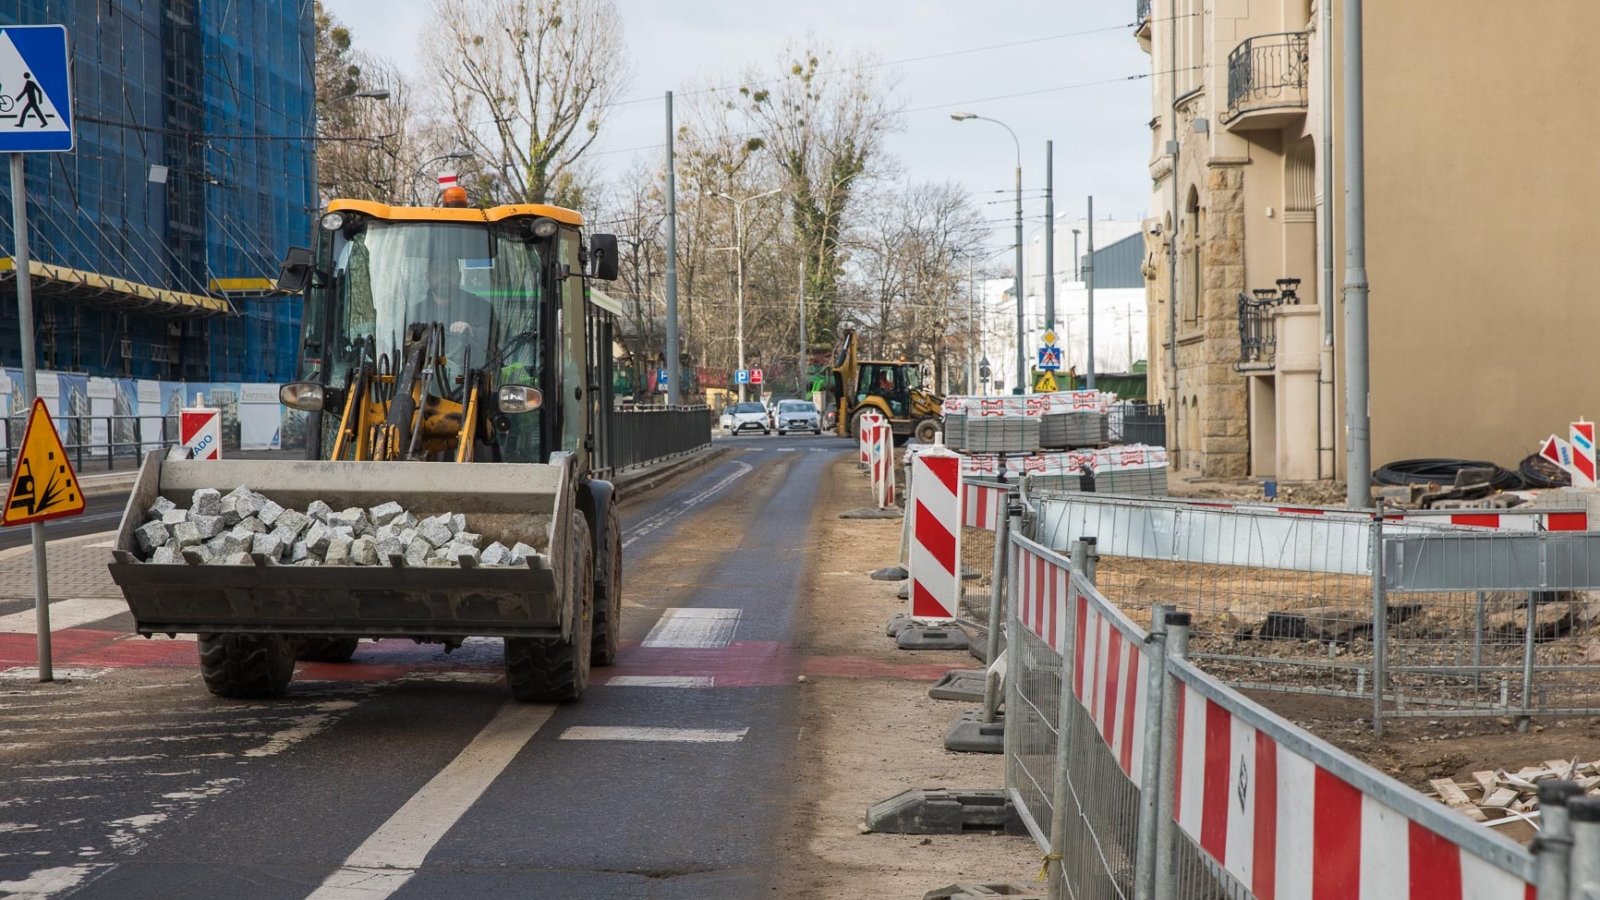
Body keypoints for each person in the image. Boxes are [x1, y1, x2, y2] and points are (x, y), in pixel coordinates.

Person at [407, 257, 493, 369]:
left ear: (459, 276)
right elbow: (405, 349)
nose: (443, 276)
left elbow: (492, 339)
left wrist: (472, 331)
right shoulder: (415, 313)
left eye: (449, 271)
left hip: (471, 379)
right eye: (437, 271)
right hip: (422, 379)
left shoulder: (480, 307)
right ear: (428, 276)